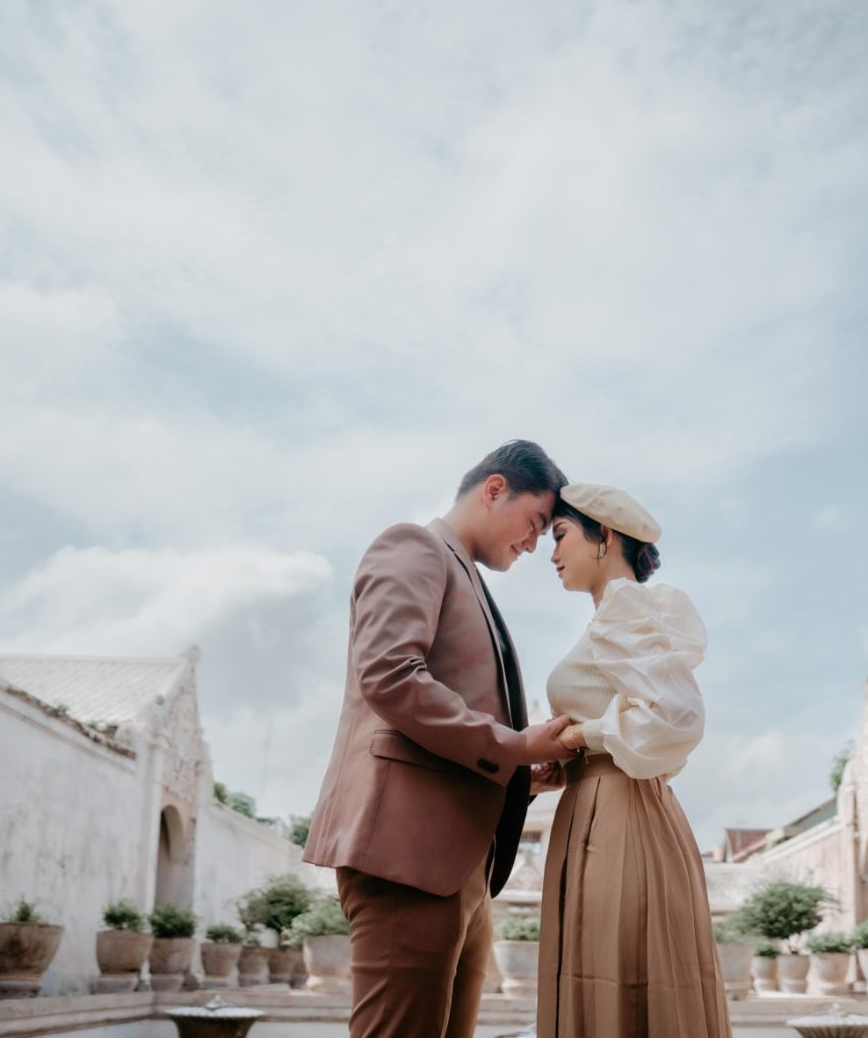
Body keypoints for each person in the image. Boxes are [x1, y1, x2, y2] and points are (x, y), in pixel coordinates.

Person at [303, 440, 579, 1038]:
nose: (534, 544)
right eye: (535, 523)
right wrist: (516, 746)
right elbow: (390, 675)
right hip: (407, 858)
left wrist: (521, 775)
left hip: (461, 868)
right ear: (495, 489)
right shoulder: (414, 546)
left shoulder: (467, 576)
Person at [532, 481, 732, 1038]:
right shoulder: (613, 615)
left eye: (561, 535)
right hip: (603, 806)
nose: (553, 553)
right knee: (607, 975)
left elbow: (676, 717)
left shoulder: (624, 608)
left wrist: (581, 736)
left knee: (617, 975)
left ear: (605, 535)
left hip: (618, 814)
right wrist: (567, 758)